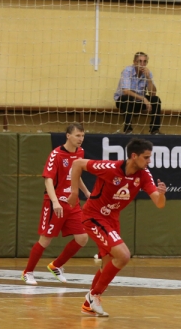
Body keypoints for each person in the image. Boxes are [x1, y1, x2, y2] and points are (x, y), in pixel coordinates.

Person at [68, 138, 167, 317]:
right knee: (123, 256)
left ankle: (88, 305)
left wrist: (161, 194)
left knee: (108, 265)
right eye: (146, 157)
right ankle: (94, 295)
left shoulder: (144, 175)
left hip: (112, 220)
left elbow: (159, 204)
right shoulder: (110, 168)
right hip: (93, 216)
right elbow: (77, 164)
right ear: (134, 156)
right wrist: (74, 192)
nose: (149, 161)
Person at [21, 123, 91, 286]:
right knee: (45, 240)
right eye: (77, 135)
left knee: (82, 238)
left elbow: (76, 176)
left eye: (82, 135)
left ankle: (56, 265)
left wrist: (87, 192)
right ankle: (27, 272)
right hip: (55, 203)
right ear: (68, 136)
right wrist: (55, 202)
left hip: (72, 203)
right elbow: (48, 179)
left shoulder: (80, 152)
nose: (81, 139)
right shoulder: (56, 154)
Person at [113, 52, 162, 135]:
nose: (142, 64)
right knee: (127, 98)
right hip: (124, 101)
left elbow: (153, 94)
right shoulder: (127, 71)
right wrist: (143, 99)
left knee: (156, 100)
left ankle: (155, 130)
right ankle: (128, 130)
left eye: (144, 61)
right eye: (140, 61)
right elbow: (126, 91)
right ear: (134, 62)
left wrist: (148, 78)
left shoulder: (148, 73)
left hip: (139, 101)